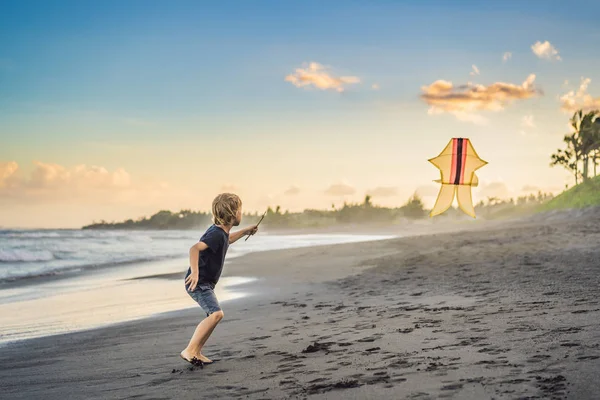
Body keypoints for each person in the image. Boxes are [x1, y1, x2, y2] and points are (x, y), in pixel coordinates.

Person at [180, 193, 258, 365]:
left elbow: (228, 240)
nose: (241, 214)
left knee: (213, 316)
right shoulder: (216, 234)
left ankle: (196, 352)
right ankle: (190, 350)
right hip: (198, 283)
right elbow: (194, 249)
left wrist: (246, 231)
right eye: (240, 210)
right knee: (216, 314)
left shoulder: (222, 233)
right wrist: (195, 272)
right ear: (232, 213)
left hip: (205, 283)